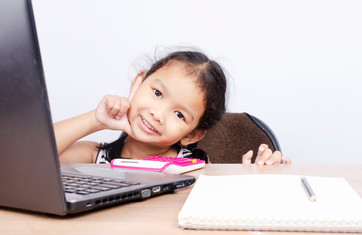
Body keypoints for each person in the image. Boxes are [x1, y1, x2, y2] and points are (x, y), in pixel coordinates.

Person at [54, 50, 290, 165]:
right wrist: (96, 120)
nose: (158, 114)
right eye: (157, 93)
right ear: (138, 84)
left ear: (192, 134)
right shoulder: (96, 157)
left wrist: (259, 177)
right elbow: (29, 157)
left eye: (179, 114)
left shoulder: (194, 169)